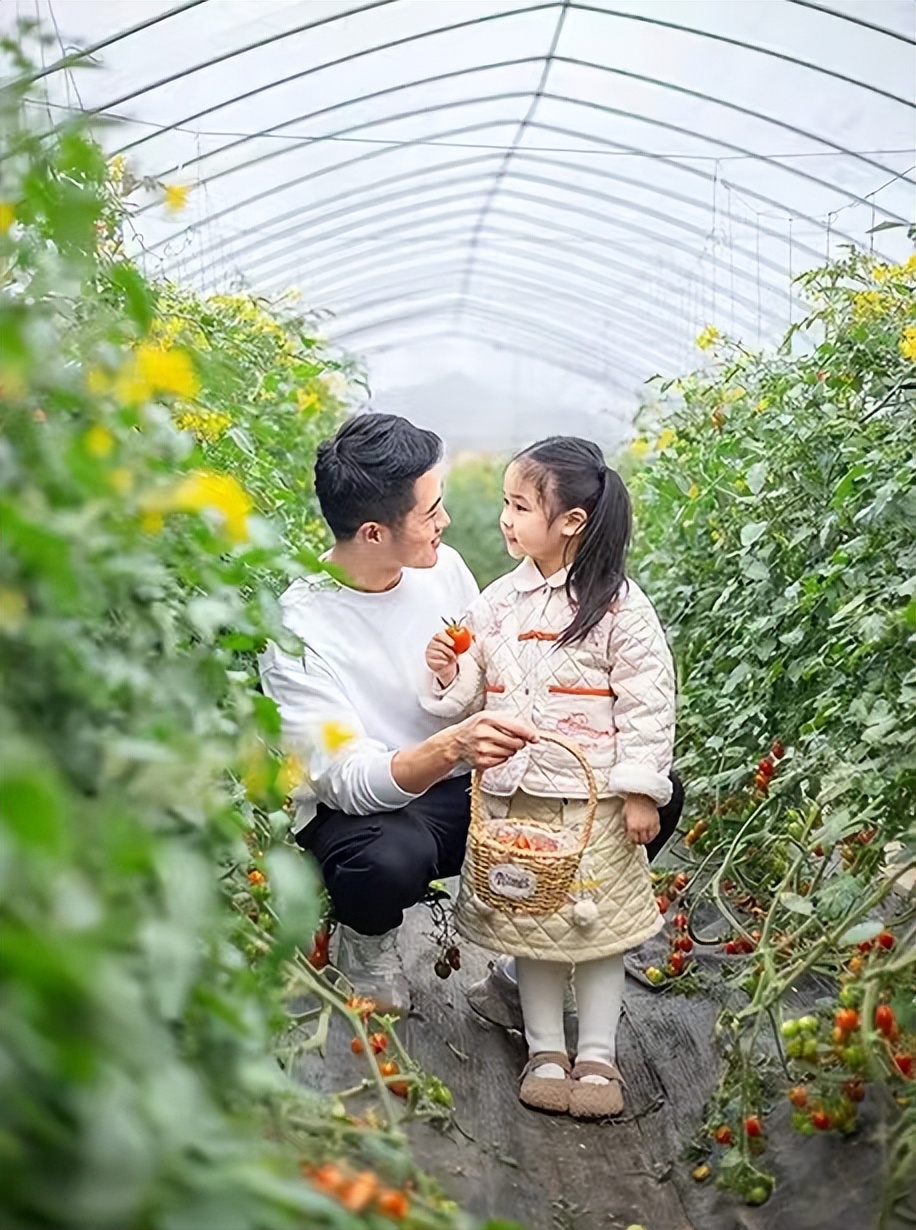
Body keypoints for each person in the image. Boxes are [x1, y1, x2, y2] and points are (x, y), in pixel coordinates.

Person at [421, 437, 675, 1118]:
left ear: (572, 521)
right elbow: (473, 691)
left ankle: (596, 1055)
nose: (505, 519)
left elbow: (648, 702)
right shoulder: (498, 603)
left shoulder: (620, 607)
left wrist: (642, 791)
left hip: (593, 804)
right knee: (531, 929)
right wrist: (448, 670)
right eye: (505, 503)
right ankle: (544, 1053)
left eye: (519, 506)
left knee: (598, 935)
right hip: (519, 799)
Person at [257, 413, 538, 1013]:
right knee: (382, 860)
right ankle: (367, 944)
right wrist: (453, 745)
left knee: (635, 796)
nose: (446, 522)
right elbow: (346, 781)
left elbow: (488, 671)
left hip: (465, 788)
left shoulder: (445, 570)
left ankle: (528, 968)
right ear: (373, 533)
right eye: (430, 512)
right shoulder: (298, 628)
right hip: (372, 813)